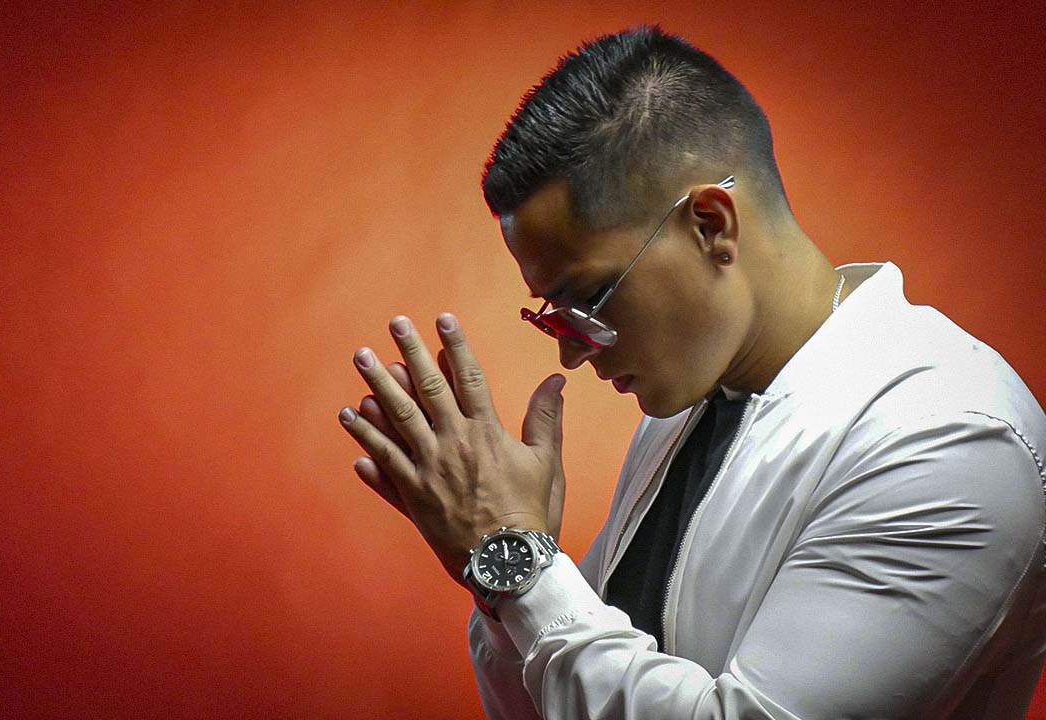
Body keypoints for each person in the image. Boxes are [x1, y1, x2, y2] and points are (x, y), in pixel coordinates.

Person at [336, 25, 1046, 719]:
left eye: (590, 298)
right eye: (554, 315)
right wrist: (507, 584)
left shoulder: (949, 440)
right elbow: (556, 701)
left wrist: (515, 560)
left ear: (711, 225)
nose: (572, 352)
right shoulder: (694, 404)